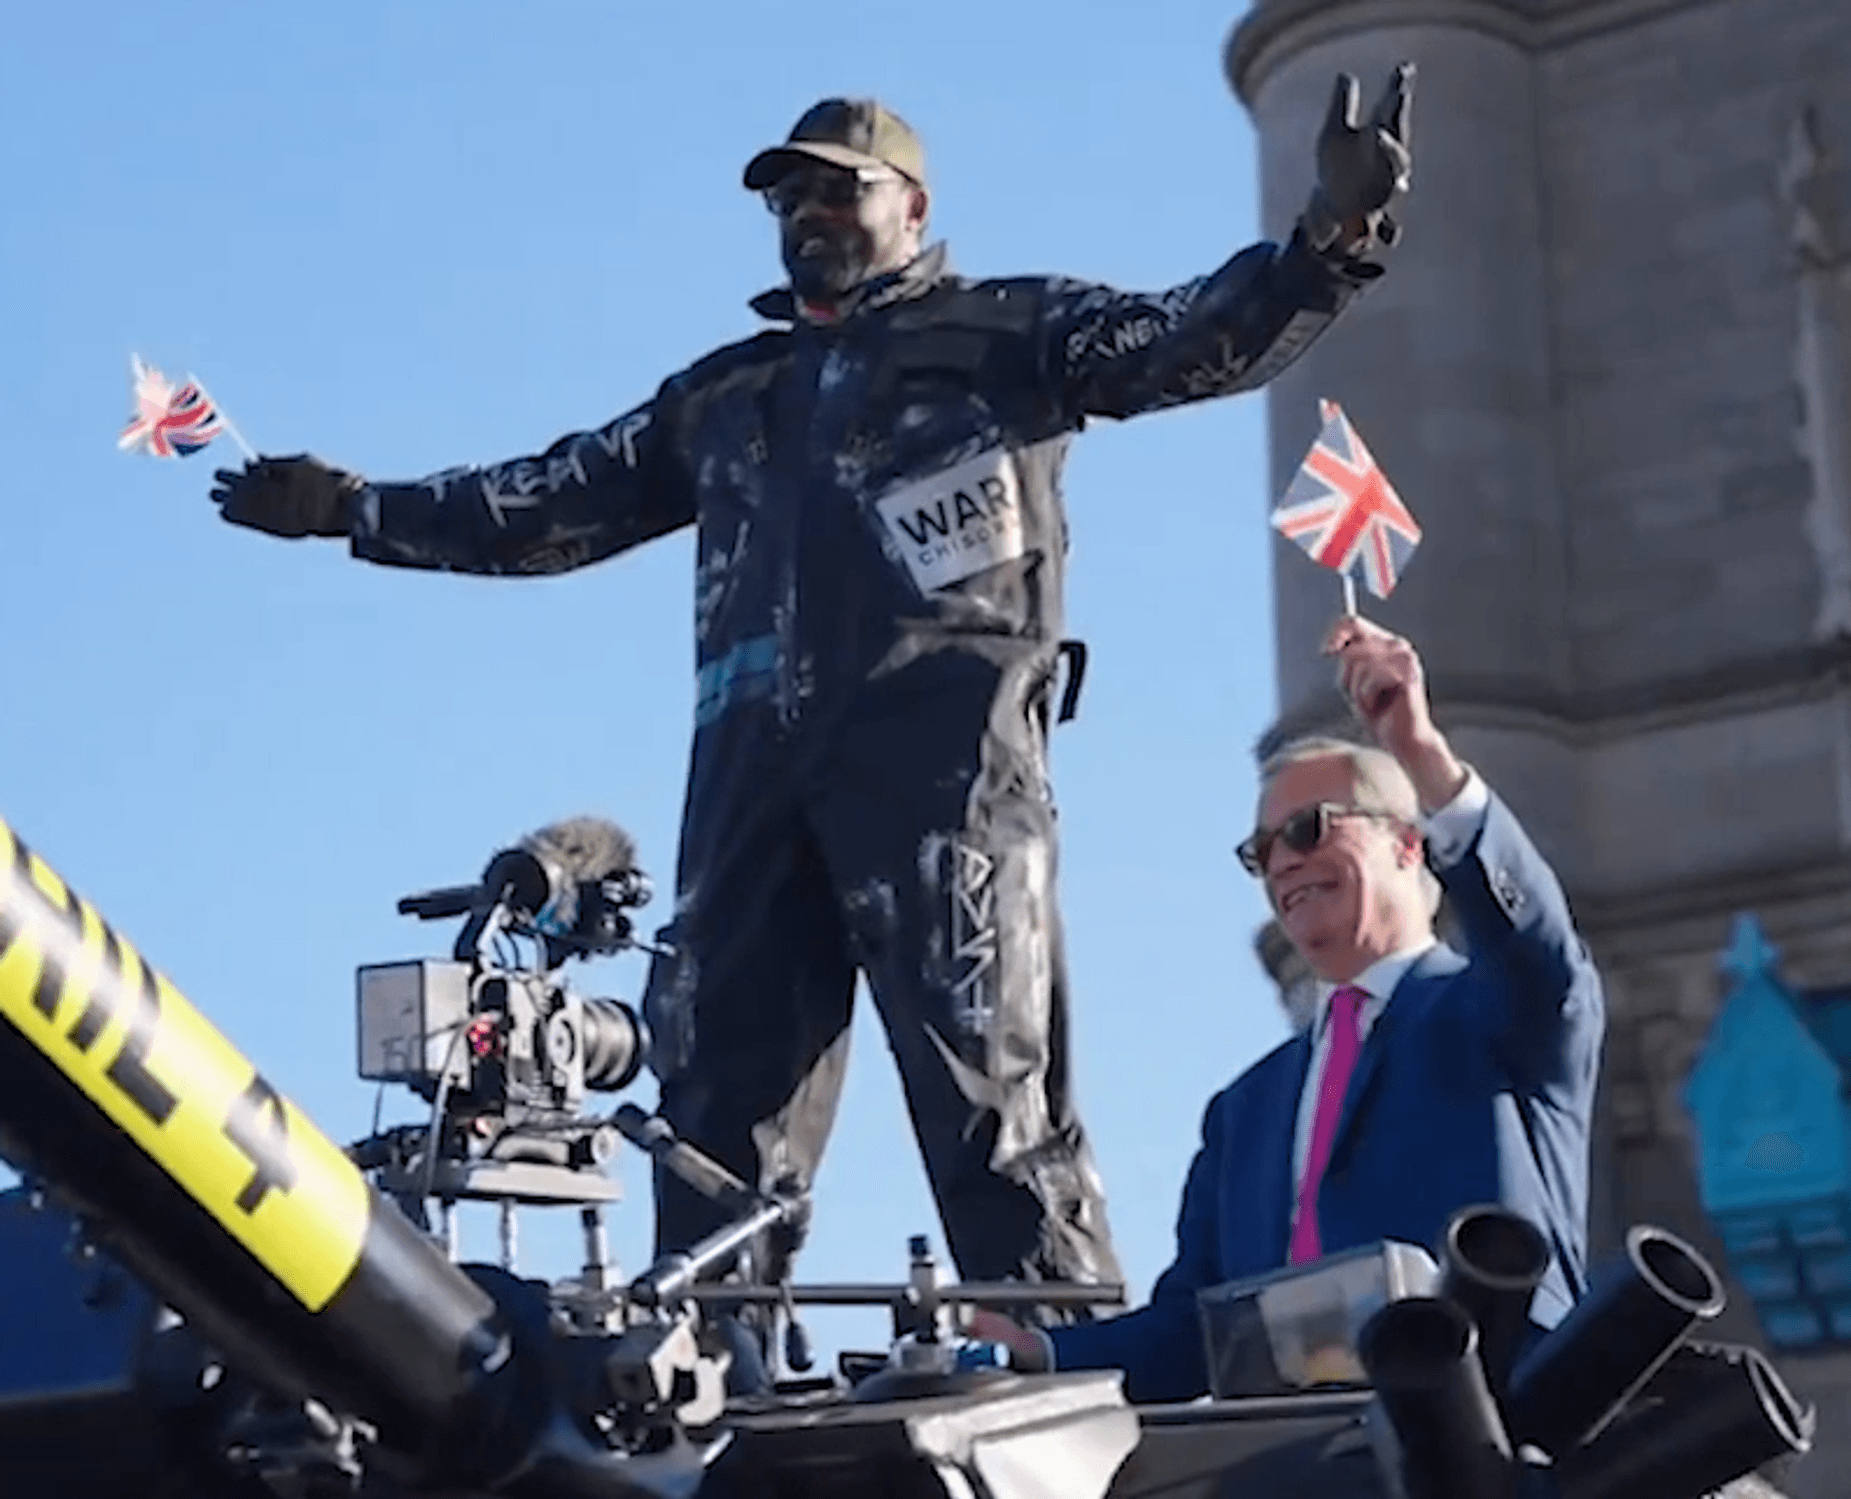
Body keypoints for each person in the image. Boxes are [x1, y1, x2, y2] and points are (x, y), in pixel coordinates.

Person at [206, 83, 1416, 1302]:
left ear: (913, 205)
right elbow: (551, 496)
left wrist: (1327, 239)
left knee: (994, 1114)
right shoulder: (729, 398)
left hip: (946, 787)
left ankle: (1083, 1397)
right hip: (749, 802)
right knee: (711, 1134)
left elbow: (1183, 336)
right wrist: (356, 510)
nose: (808, 212)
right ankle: (703, 1410)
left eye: (839, 186)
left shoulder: (1004, 337)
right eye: (788, 193)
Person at [974, 615, 1602, 1396]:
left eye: (1308, 829)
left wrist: (1421, 754)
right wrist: (1038, 1353)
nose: (1284, 863)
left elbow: (1536, 946)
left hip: (1482, 1440)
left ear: (1408, 845)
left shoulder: (1497, 1017)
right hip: (1300, 1456)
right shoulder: (1243, 1112)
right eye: (1262, 850)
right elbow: (1189, 1331)